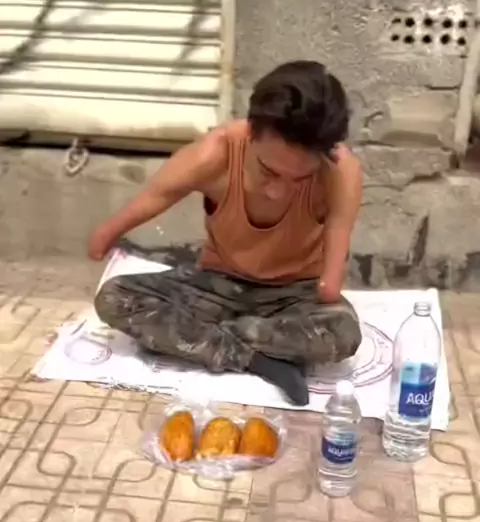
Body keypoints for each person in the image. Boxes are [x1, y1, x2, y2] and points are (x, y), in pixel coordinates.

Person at [89, 60, 363, 407]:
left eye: (300, 179)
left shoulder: (341, 172)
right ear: (251, 132)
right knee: (114, 298)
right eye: (268, 171)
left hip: (292, 296)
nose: (278, 191)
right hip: (217, 287)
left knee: (343, 333)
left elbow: (329, 287)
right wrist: (107, 233)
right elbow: (157, 196)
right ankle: (259, 359)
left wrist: (319, 299)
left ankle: (208, 340)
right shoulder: (216, 152)